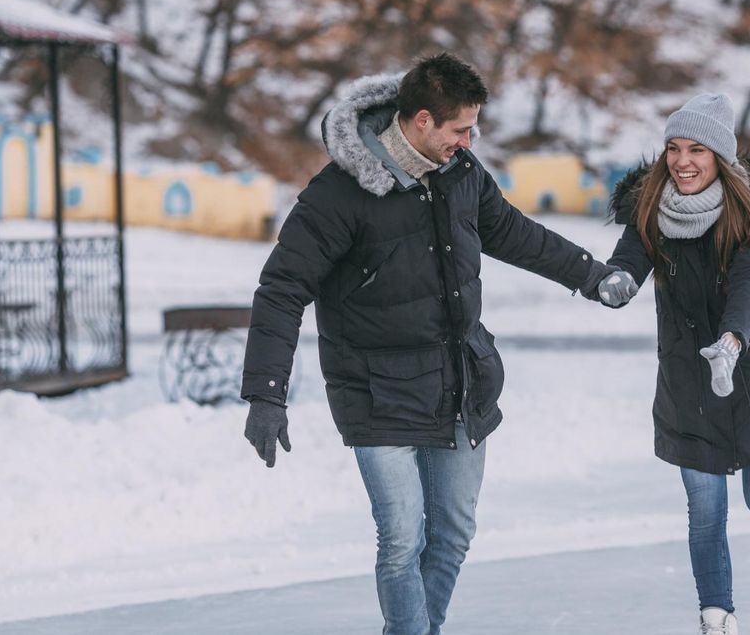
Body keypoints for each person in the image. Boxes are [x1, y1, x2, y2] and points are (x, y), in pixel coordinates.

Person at [240, 52, 614, 634]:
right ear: (421, 120)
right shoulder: (338, 195)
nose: (469, 141)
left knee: (453, 534)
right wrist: (266, 392)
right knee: (400, 541)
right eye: (460, 129)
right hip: (376, 393)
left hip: (460, 382)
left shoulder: (460, 173)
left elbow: (513, 232)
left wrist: (590, 274)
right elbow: (282, 289)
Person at [594, 93, 750, 635]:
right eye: (673, 148)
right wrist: (616, 280)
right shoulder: (652, 208)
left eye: (696, 149)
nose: (682, 161)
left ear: (719, 156)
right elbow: (629, 258)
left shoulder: (747, 212)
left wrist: (731, 341)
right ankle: (715, 615)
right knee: (704, 508)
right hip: (689, 378)